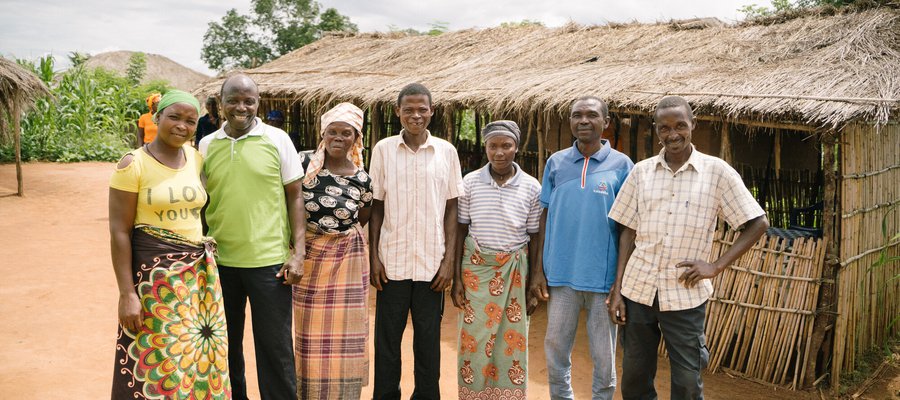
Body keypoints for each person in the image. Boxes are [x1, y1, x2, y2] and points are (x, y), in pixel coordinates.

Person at [607, 96, 769, 400]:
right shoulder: (641, 172)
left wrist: (715, 266)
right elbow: (627, 230)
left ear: (693, 125)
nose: (673, 134)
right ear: (656, 130)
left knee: (686, 381)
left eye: (680, 125)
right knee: (635, 378)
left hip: (685, 294)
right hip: (638, 290)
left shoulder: (716, 172)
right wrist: (617, 289)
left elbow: (758, 223)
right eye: (665, 128)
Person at [109, 90, 231, 399]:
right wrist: (127, 294)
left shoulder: (196, 158)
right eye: (174, 117)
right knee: (158, 357)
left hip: (197, 277)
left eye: (190, 121)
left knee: (194, 355)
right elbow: (119, 232)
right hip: (154, 280)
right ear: (156, 118)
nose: (182, 126)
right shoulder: (132, 164)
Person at [199, 74, 305, 400]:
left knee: (275, 350)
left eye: (249, 100)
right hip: (219, 265)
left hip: (269, 264)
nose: (241, 107)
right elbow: (201, 200)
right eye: (233, 100)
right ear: (221, 104)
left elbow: (295, 197)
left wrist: (298, 252)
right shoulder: (206, 145)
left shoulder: (277, 139)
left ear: (258, 103)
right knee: (224, 348)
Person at [530, 96, 633, 400]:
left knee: (604, 355)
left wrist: (619, 281)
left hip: (603, 281)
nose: (583, 121)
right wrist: (539, 271)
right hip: (561, 276)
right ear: (570, 121)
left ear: (606, 122)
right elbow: (545, 215)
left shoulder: (623, 165)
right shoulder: (556, 162)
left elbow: (629, 227)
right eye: (577, 115)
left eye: (591, 115)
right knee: (556, 348)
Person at [368, 82, 464, 400]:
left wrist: (449, 260)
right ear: (398, 112)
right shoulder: (382, 150)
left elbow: (452, 208)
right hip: (391, 263)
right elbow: (377, 206)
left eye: (422, 109)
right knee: (387, 343)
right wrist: (374, 258)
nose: (416, 115)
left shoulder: (446, 152)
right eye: (408, 109)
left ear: (432, 111)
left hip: (431, 265)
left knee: (427, 342)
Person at [450, 120, 542, 400]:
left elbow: (536, 237)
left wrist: (535, 279)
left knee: (511, 341)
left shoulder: (531, 187)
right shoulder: (470, 183)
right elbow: (460, 230)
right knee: (473, 340)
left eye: (506, 145)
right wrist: (456, 278)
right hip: (477, 271)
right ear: (485, 148)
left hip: (515, 272)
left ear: (516, 147)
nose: (499, 152)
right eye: (493, 146)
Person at [293, 102, 373, 399]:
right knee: (309, 334)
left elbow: (361, 217)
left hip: (347, 264)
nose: (339, 138)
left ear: (356, 138)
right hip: (309, 260)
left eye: (346, 133)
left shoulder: (362, 178)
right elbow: (290, 204)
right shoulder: (302, 164)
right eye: (333, 132)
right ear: (323, 134)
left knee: (346, 335)